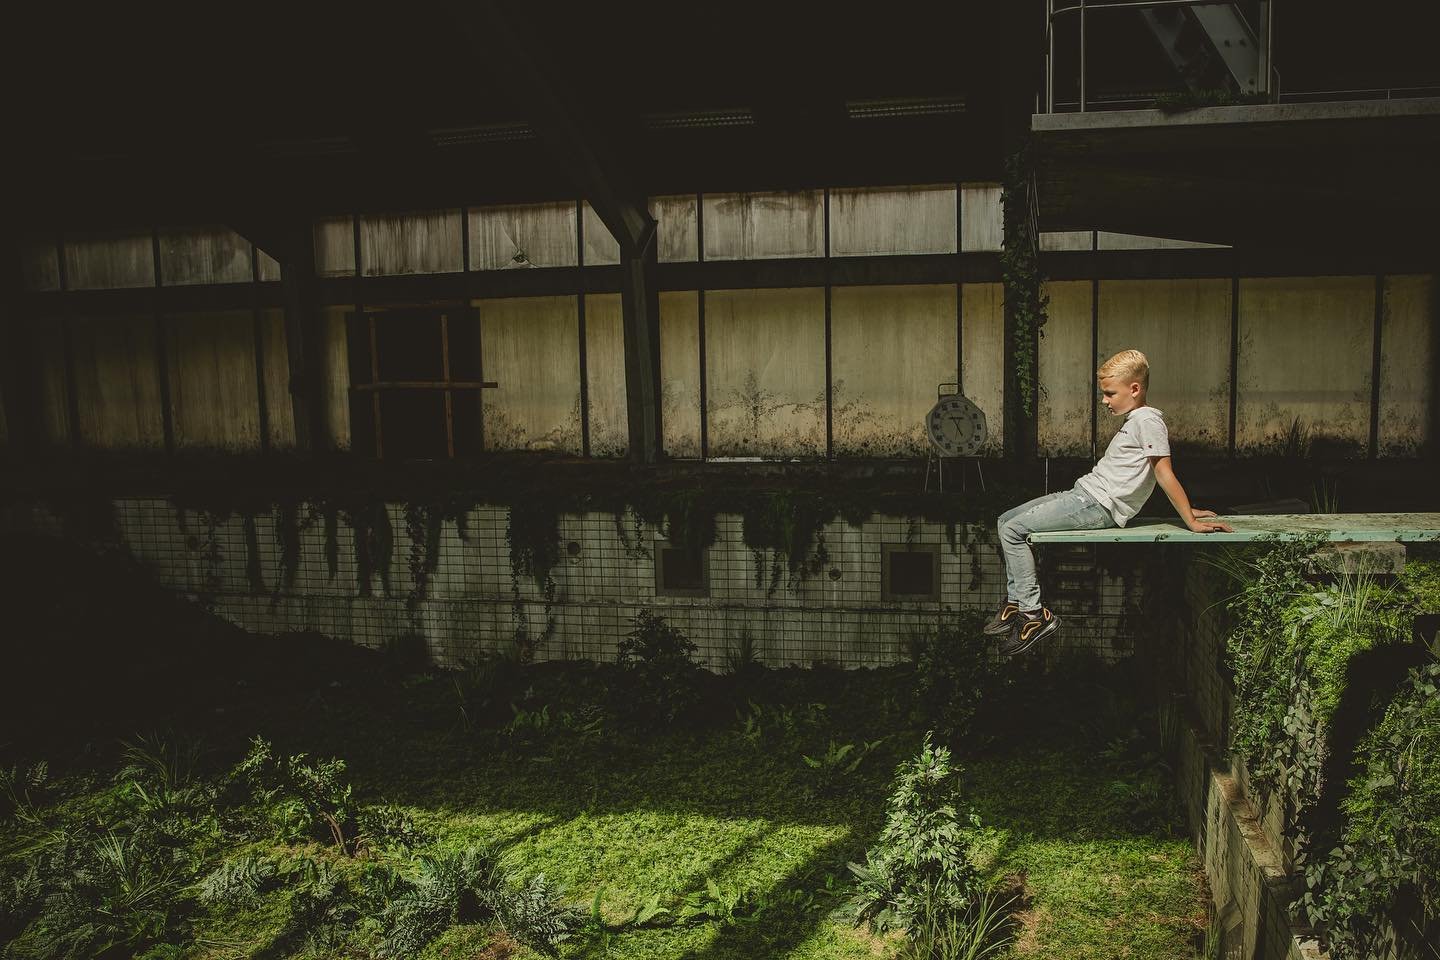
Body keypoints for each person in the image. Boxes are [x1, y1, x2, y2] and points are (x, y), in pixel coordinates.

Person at [986, 349, 1233, 655]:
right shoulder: (1136, 421)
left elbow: (1162, 472)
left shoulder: (1148, 421)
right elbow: (1143, 474)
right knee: (1004, 520)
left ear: (1134, 389)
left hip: (1096, 505)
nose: (1104, 401)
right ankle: (1015, 602)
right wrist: (1187, 508)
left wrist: (1190, 520)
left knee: (1013, 530)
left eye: (1109, 393)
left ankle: (1034, 615)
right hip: (1083, 495)